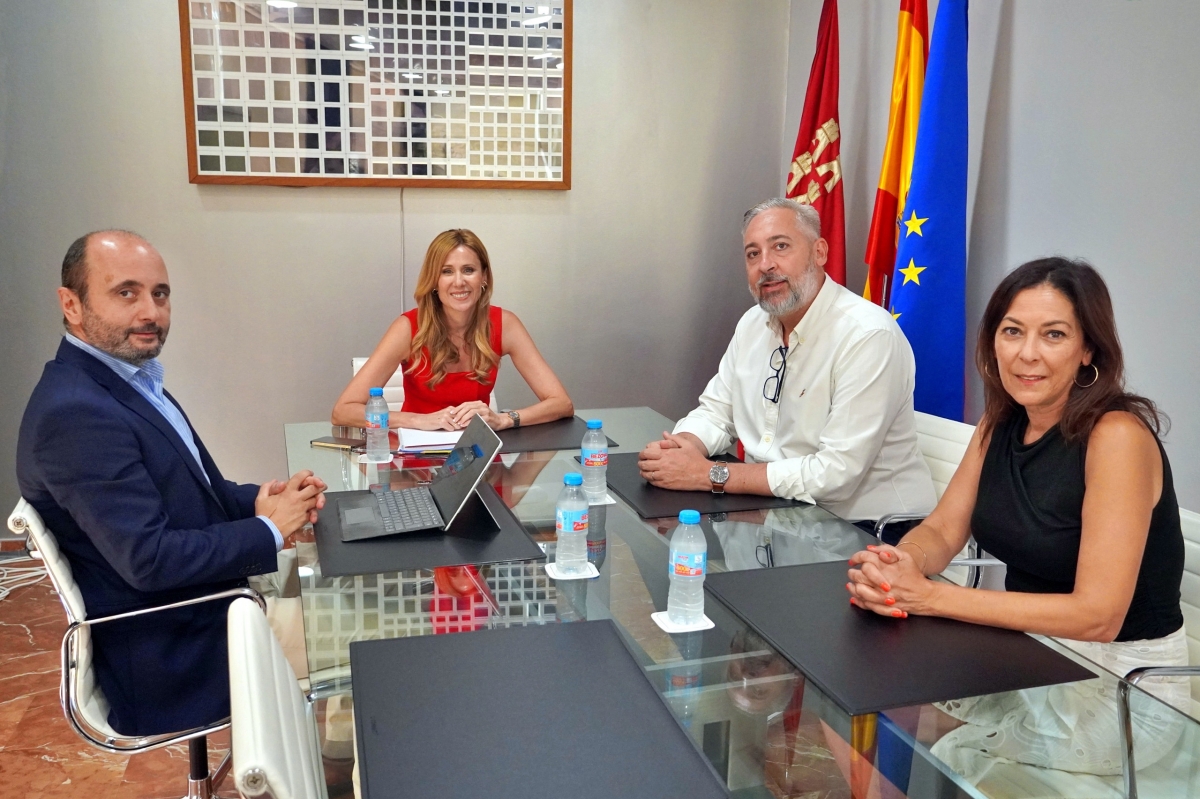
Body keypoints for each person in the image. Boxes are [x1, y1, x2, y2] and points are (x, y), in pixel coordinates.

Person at [845, 257, 1188, 777]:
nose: (1027, 354)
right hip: (1035, 653)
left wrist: (934, 596)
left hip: (1124, 688)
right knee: (865, 693)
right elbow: (942, 529)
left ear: (1087, 349)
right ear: (993, 341)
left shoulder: (1117, 437)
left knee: (936, 744)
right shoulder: (1001, 421)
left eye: (1053, 335)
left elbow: (1099, 615)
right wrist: (902, 563)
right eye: (1012, 331)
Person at [16, 230, 327, 736]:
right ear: (71, 304)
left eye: (160, 294)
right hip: (177, 651)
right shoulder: (75, 413)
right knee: (373, 635)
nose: (150, 312)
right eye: (126, 292)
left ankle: (318, 762)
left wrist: (259, 501)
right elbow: (149, 559)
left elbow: (198, 491)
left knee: (344, 591)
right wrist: (269, 531)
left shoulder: (129, 381)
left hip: (203, 611)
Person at [638, 198, 936, 526]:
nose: (766, 265)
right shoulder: (753, 324)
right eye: (753, 254)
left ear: (819, 252)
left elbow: (835, 475)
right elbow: (716, 412)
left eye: (780, 246)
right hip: (775, 515)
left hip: (868, 532)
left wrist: (711, 474)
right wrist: (679, 451)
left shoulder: (868, 336)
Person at [332, 228, 573, 431]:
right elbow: (343, 411)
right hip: (414, 463)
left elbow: (561, 403)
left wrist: (503, 419)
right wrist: (417, 420)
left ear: (484, 277)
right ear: (434, 281)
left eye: (469, 270)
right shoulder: (407, 328)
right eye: (447, 271)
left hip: (479, 460)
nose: (459, 282)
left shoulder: (505, 324)